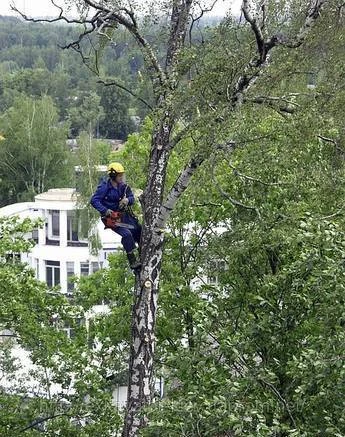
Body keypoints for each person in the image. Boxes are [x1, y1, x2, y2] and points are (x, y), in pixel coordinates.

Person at [90, 162, 142, 270]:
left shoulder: (124, 187)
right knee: (127, 234)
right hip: (111, 219)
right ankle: (133, 260)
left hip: (123, 216)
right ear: (113, 176)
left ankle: (142, 251)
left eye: (122, 175)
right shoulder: (104, 188)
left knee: (138, 230)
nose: (121, 177)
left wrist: (127, 200)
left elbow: (132, 197)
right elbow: (94, 200)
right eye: (119, 175)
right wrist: (105, 210)